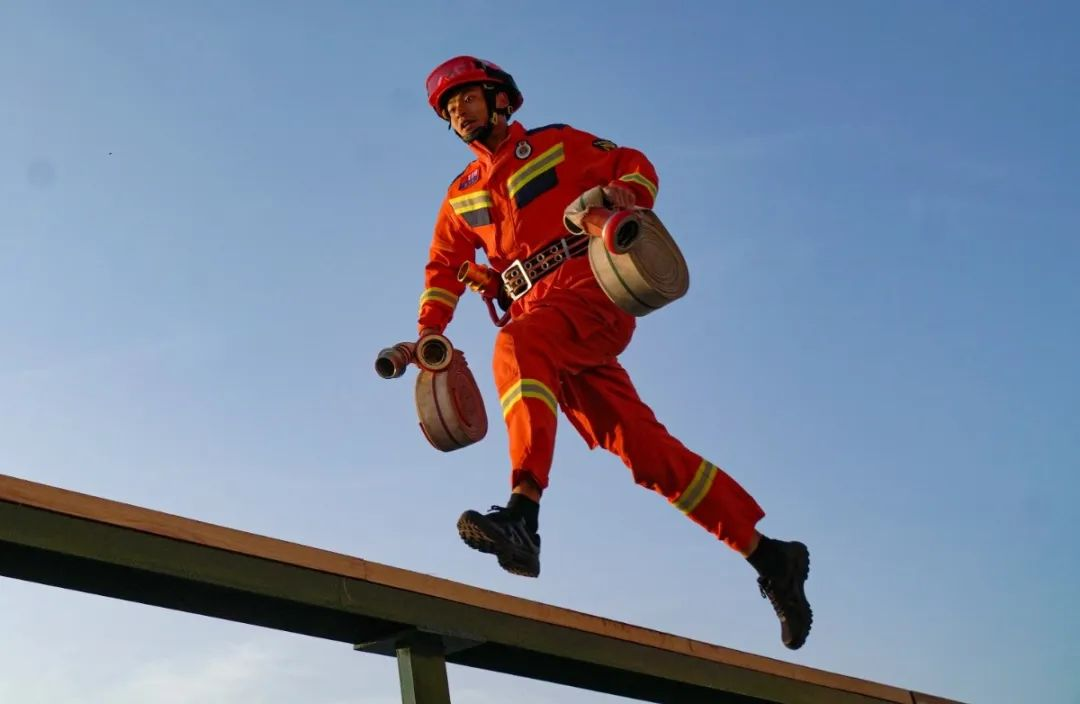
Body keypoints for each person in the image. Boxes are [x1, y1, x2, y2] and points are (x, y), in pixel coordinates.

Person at [414, 56, 813, 650]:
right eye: (449, 109)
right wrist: (430, 333)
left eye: (467, 98)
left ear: (500, 99)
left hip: (589, 295)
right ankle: (771, 557)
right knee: (647, 454)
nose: (458, 112)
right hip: (542, 322)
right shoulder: (459, 195)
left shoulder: (555, 144)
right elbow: (443, 267)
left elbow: (635, 164)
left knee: (516, 345)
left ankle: (523, 514)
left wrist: (626, 194)